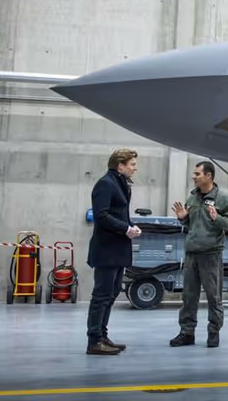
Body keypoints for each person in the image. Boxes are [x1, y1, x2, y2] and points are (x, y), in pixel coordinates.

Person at [169, 160, 228, 348]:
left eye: (197, 174)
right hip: (192, 254)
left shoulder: (223, 199)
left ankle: (213, 332)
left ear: (208, 176)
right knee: (188, 296)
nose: (193, 177)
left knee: (213, 296)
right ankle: (187, 333)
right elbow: (191, 224)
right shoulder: (192, 198)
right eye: (194, 174)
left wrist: (218, 219)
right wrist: (183, 218)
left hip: (211, 255)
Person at [86, 148, 142, 355]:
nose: (135, 168)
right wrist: (125, 228)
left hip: (117, 249)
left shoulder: (120, 184)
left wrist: (131, 226)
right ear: (120, 166)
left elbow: (119, 214)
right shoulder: (105, 184)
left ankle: (102, 336)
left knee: (111, 293)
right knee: (101, 295)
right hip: (106, 250)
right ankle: (94, 340)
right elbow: (101, 215)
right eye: (132, 164)